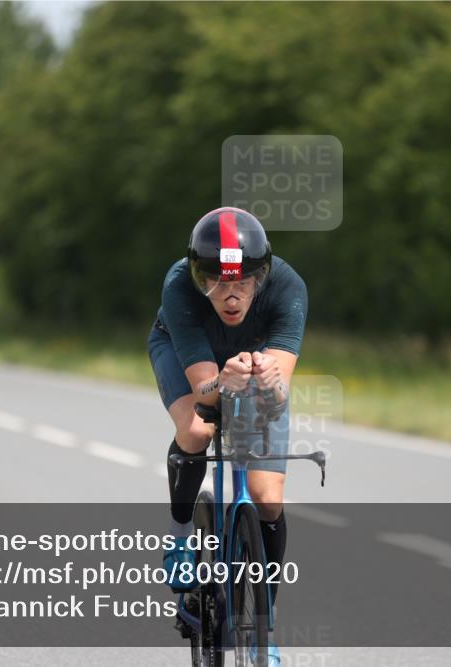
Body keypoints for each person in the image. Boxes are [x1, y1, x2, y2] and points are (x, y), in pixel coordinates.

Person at [148, 207, 307, 666]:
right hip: (186, 356)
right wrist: (222, 384)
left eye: (242, 283)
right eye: (215, 281)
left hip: (252, 366)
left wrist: (264, 380)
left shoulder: (289, 288)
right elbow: (203, 392)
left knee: (266, 496)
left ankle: (265, 629)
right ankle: (180, 538)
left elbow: (277, 396)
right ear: (198, 278)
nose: (230, 295)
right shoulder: (179, 285)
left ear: (262, 277)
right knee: (197, 428)